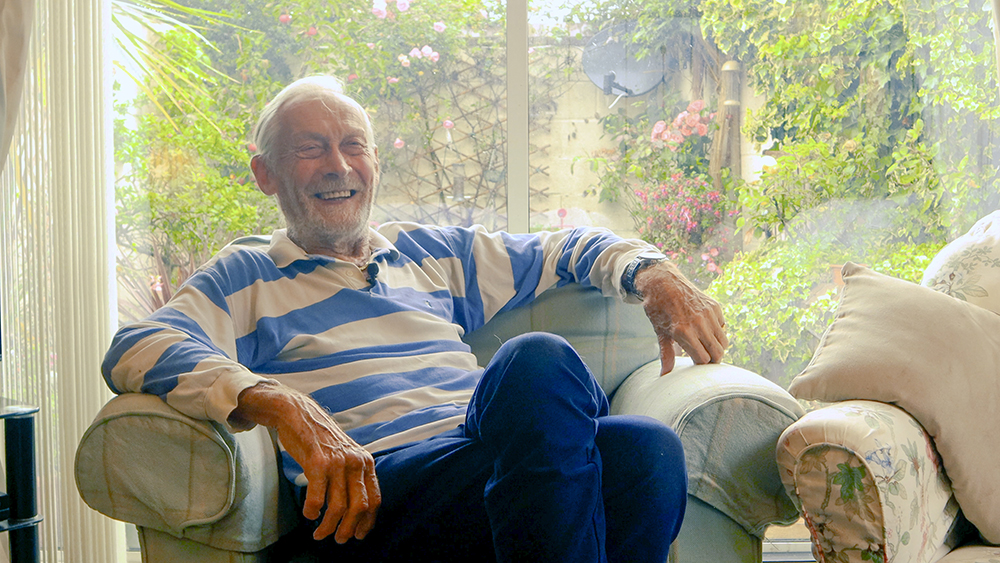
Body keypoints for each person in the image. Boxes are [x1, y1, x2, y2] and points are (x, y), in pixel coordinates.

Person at [102, 75, 728, 562]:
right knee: (540, 361)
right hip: (377, 496)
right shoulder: (246, 275)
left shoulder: (430, 253)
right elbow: (138, 344)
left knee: (647, 450)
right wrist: (281, 405)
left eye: (354, 146)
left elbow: (563, 248)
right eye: (310, 150)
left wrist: (653, 273)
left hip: (485, 468)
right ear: (265, 174)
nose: (339, 166)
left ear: (374, 162)